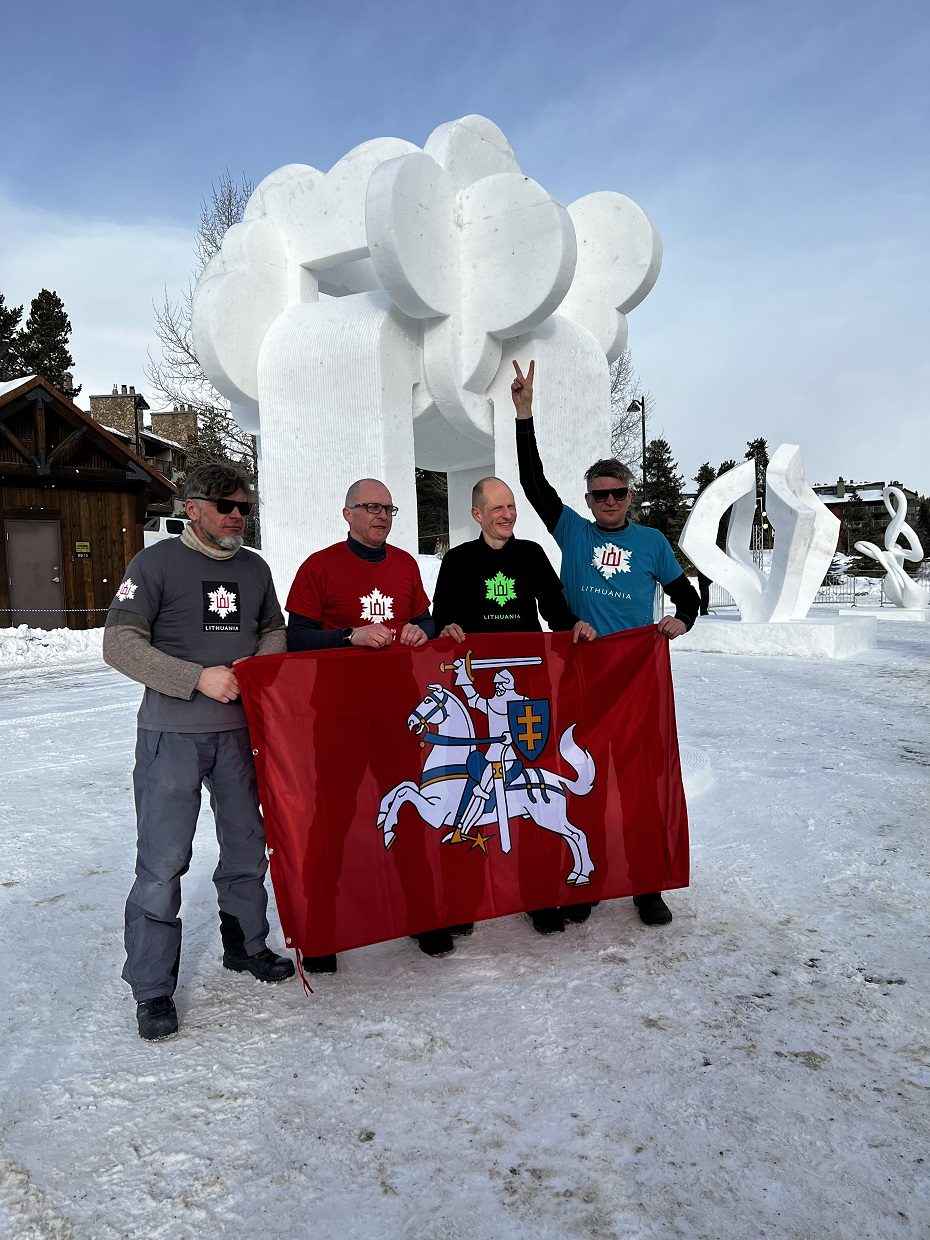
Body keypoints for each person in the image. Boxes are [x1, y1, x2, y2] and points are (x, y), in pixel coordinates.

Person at [103, 463, 295, 1043]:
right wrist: (194, 677)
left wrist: (256, 664)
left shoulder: (254, 567)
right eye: (224, 505)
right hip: (172, 735)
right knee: (162, 863)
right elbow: (119, 644)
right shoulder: (154, 564)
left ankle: (246, 944)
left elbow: (273, 628)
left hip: (240, 735)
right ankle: (153, 987)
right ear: (192, 507)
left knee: (245, 845)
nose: (237, 515)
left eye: (243, 507)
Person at [511, 359, 699, 927]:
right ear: (588, 500)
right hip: (582, 678)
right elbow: (533, 485)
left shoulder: (651, 542)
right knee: (581, 781)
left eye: (617, 494)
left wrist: (680, 622)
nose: (609, 502)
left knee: (639, 787)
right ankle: (587, 879)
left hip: (635, 681)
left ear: (629, 496)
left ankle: (647, 886)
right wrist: (525, 415)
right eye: (600, 495)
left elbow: (687, 598)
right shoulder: (572, 529)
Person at [286, 478, 456, 967]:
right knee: (332, 822)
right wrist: (347, 635)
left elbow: (427, 618)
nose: (381, 515)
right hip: (338, 716)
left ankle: (424, 917)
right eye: (371, 507)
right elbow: (294, 638)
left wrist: (419, 630)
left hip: (396, 714)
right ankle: (321, 929)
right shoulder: (319, 566)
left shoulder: (405, 564)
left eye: (389, 508)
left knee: (411, 811)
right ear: (347, 514)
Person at [433, 475, 596, 933]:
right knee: (471, 788)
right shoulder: (459, 561)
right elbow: (441, 615)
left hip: (525, 687)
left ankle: (538, 895)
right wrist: (446, 630)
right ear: (477, 514)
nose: (507, 515)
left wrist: (574, 628)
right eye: (498, 508)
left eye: (511, 507)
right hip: (477, 687)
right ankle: (466, 900)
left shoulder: (531, 555)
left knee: (531, 793)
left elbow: (557, 612)